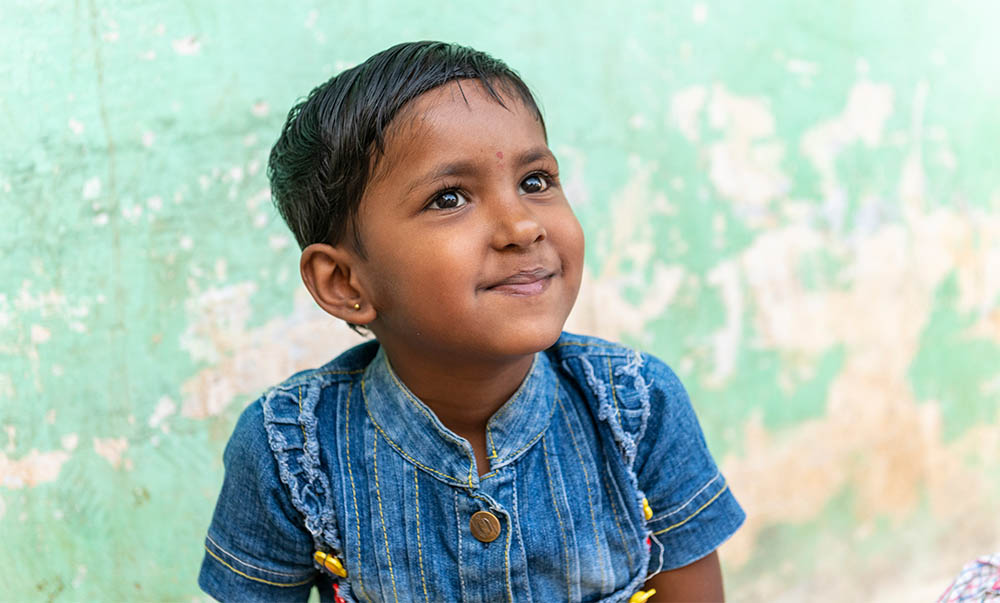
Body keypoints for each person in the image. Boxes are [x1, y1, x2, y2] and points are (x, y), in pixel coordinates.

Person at [197, 41, 745, 602]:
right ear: (344, 283)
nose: (522, 226)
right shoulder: (291, 448)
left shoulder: (634, 405)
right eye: (450, 198)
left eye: (535, 181)